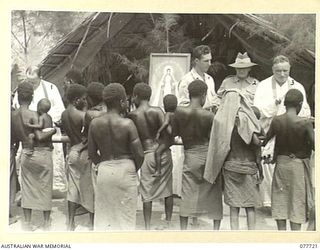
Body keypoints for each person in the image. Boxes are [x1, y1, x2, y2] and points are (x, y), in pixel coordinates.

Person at [253, 55, 311, 208]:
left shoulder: (297, 86)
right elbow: (258, 110)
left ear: (290, 69)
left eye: (285, 70)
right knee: (268, 167)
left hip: (290, 134)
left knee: (287, 167)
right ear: (273, 69)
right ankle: (269, 203)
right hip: (268, 131)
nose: (282, 74)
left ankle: (287, 203)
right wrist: (276, 103)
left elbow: (305, 111)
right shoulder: (263, 86)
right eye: (278, 71)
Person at [88, 83, 144, 230]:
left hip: (105, 171)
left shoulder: (94, 123)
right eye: (125, 100)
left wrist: (103, 164)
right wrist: (132, 167)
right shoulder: (128, 124)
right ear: (121, 102)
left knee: (105, 217)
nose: (127, 103)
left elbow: (92, 153)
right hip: (126, 171)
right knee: (125, 218)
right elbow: (139, 154)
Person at [207, 88, 264, 230]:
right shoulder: (246, 119)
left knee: (234, 207)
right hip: (248, 166)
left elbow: (218, 147)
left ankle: (235, 237)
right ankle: (251, 236)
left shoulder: (220, 120)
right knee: (250, 206)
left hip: (230, 166)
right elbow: (256, 143)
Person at [172, 80, 222, 230]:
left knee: (187, 192)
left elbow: (174, 134)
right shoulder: (209, 115)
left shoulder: (179, 112)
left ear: (189, 93)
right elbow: (214, 140)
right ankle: (215, 231)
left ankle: (183, 231)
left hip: (190, 154)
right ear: (203, 96)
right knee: (213, 192)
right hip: (206, 154)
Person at [262, 89, 314, 231]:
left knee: (281, 198)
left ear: (285, 104)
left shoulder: (277, 120)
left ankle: (282, 237)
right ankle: (295, 237)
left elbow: (265, 141)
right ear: (300, 104)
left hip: (281, 164)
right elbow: (315, 145)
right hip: (297, 166)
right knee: (296, 201)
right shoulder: (305, 123)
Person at [12, 66, 66, 195]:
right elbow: (17, 107)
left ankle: (52, 190)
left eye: (33, 82)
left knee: (50, 164)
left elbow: (60, 110)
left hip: (46, 132)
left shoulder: (51, 89)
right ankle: (30, 191)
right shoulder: (22, 90)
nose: (30, 84)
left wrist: (42, 119)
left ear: (41, 78)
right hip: (28, 133)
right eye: (28, 81)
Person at [11, 82, 57, 231]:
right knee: (45, 186)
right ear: (31, 97)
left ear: (18, 97)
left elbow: (13, 140)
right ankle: (45, 223)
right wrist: (53, 131)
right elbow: (40, 136)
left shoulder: (12, 116)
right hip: (41, 152)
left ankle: (27, 223)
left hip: (25, 153)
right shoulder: (34, 114)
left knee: (28, 188)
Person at [128, 83, 174, 230]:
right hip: (163, 153)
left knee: (146, 190)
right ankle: (168, 222)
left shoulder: (133, 115)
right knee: (167, 189)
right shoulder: (158, 111)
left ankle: (147, 226)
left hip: (146, 154)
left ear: (135, 96)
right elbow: (168, 132)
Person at [61, 84, 93, 231]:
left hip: (72, 150)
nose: (85, 101)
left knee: (72, 188)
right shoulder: (82, 115)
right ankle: (92, 223)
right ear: (76, 100)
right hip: (83, 152)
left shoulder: (64, 114)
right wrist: (86, 110)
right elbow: (88, 136)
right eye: (83, 99)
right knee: (89, 187)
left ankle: (71, 222)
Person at [178, 45, 219, 111]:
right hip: (196, 119)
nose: (209, 64)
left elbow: (214, 99)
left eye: (210, 60)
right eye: (206, 61)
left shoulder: (210, 79)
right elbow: (183, 106)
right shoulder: (186, 80)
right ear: (197, 61)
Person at [153, 94, 177, 177]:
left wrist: (159, 131)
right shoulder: (175, 114)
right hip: (171, 139)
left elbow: (166, 123)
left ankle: (158, 170)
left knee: (157, 152)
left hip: (167, 140)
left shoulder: (167, 114)